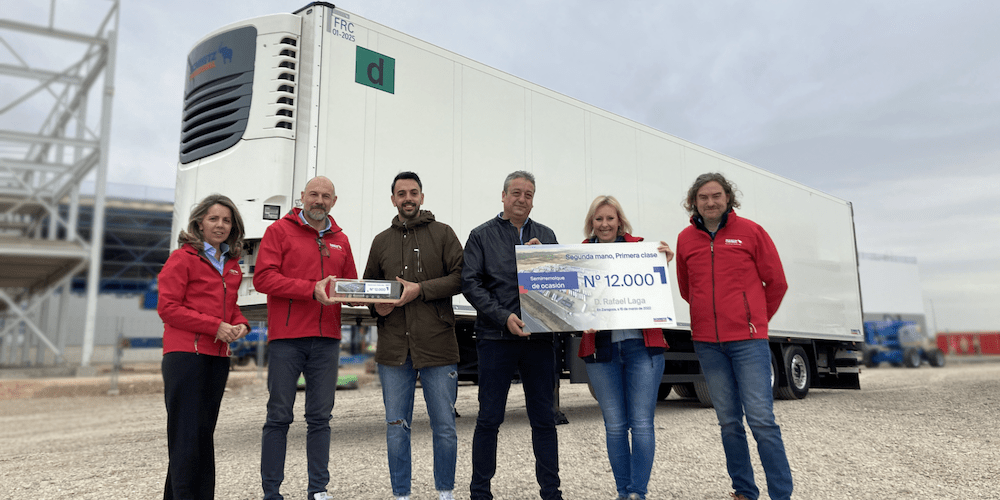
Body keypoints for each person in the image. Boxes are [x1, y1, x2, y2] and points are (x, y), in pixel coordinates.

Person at [674, 173, 792, 500]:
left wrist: (755, 320)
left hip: (748, 343)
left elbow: (777, 283)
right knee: (728, 422)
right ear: (694, 202)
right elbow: (687, 289)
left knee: (761, 420)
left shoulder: (751, 232)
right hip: (708, 344)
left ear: (728, 197)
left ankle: (781, 494)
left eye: (716, 196)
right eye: (703, 197)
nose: (710, 202)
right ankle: (744, 490)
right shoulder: (685, 239)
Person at [254, 176, 358, 500]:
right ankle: (272, 492)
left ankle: (318, 490)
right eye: (314, 194)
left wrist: (373, 297)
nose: (319, 201)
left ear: (334, 201)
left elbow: (350, 285)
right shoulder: (279, 231)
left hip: (327, 340)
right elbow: (263, 278)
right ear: (302, 197)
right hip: (287, 340)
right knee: (278, 416)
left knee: (320, 418)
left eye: (326, 196)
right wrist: (310, 289)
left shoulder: (341, 239)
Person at [363, 172, 465, 500]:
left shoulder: (443, 234)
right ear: (393, 199)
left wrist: (420, 289)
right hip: (394, 348)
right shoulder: (381, 241)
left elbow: (461, 277)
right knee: (396, 427)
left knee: (445, 427)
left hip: (438, 344)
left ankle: (445, 493)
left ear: (422, 196)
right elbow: (369, 288)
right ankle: (401, 495)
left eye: (413, 192)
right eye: (401, 193)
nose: (408, 198)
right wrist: (377, 308)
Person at [462, 170, 563, 500]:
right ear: (503, 196)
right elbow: (471, 284)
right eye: (516, 193)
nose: (522, 199)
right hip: (495, 338)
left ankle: (552, 492)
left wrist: (544, 260)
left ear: (533, 200)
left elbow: (562, 284)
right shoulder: (481, 235)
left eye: (528, 194)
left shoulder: (546, 235)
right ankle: (480, 493)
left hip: (539, 340)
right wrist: (503, 317)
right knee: (489, 419)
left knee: (544, 420)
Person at [576, 195, 673, 500]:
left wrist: (663, 263)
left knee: (641, 424)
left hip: (642, 348)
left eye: (610, 218)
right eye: (599, 219)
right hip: (601, 351)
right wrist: (580, 318)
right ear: (592, 223)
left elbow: (654, 291)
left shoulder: (642, 250)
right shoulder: (579, 255)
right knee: (615, 426)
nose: (605, 224)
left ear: (620, 221)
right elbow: (570, 301)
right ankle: (623, 492)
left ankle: (637, 493)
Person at [157, 193, 250, 500]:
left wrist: (241, 325)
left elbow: (231, 308)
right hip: (186, 356)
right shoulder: (182, 259)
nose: (220, 225)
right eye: (213, 219)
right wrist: (215, 326)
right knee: (186, 439)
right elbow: (168, 308)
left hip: (217, 358)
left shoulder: (231, 265)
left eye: (226, 220)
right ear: (199, 223)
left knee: (200, 439)